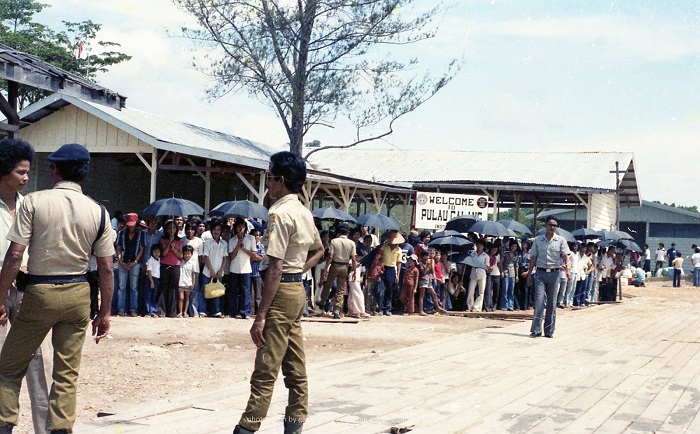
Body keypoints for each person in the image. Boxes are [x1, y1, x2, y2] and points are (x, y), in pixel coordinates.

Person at [0, 143, 114, 433]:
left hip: (39, 292)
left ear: (54, 170)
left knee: (9, 368)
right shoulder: (99, 212)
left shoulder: (33, 202)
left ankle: (5, 424)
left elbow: (14, 256)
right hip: (79, 295)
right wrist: (104, 312)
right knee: (66, 374)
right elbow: (106, 268)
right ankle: (60, 428)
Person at [233, 151, 324, 434]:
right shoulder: (304, 212)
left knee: (266, 366)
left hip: (281, 291)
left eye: (270, 177)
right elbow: (319, 250)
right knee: (295, 367)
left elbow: (274, 267)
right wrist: (298, 272)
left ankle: (248, 426)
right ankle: (295, 425)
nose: (268, 183)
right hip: (297, 289)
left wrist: (260, 316)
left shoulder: (279, 214)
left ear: (281, 180)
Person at [0, 139, 52, 434]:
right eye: (21, 172)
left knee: (38, 360)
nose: (26, 177)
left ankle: (46, 428)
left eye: (28, 172)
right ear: (3, 170)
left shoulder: (28, 206)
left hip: (26, 288)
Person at [526, 216, 571, 338]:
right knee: (539, 301)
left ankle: (549, 331)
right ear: (545, 225)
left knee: (552, 303)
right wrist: (529, 274)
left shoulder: (561, 240)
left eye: (554, 225)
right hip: (540, 273)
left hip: (554, 274)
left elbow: (566, 256)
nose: (552, 227)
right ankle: (536, 330)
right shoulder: (538, 240)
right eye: (550, 225)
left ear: (557, 227)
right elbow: (533, 257)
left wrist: (568, 270)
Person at [320, 223, 356, 319]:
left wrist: (326, 269)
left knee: (328, 284)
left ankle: (323, 301)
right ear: (348, 232)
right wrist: (355, 271)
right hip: (345, 266)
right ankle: (336, 311)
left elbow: (330, 256)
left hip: (335, 265)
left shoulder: (334, 241)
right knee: (340, 289)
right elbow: (353, 258)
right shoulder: (351, 243)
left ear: (339, 232)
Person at [115, 212, 144, 317]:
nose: (131, 227)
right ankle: (121, 309)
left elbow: (141, 250)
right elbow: (118, 247)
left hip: (135, 263)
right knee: (121, 287)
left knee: (133, 287)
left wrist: (135, 262)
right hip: (123, 261)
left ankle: (133, 309)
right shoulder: (121, 233)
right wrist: (120, 261)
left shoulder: (141, 234)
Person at [228, 218, 256, 319]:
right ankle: (232, 312)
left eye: (243, 227)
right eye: (239, 227)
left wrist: (244, 249)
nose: (241, 229)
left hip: (246, 268)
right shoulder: (232, 240)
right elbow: (231, 256)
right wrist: (238, 244)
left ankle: (246, 312)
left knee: (246, 291)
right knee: (233, 291)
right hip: (234, 268)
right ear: (236, 228)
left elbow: (254, 254)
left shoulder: (251, 238)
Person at [201, 220, 228, 317]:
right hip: (207, 271)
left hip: (219, 272)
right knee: (204, 290)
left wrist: (221, 270)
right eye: (215, 229)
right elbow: (206, 257)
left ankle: (216, 311)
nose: (216, 231)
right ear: (211, 230)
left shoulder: (224, 243)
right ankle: (202, 311)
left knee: (217, 291)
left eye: (219, 229)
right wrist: (211, 271)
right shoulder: (207, 242)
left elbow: (225, 258)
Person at [159, 220, 183, 317]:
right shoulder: (163, 239)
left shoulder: (179, 240)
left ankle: (172, 311)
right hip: (165, 264)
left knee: (173, 288)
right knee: (164, 287)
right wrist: (169, 244)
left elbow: (181, 255)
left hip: (175, 265)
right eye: (169, 228)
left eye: (173, 228)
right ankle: (162, 311)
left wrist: (174, 249)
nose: (171, 230)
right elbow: (163, 253)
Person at [378, 231, 403, 316]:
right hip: (383, 268)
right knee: (381, 289)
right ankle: (381, 308)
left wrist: (397, 275)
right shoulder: (384, 247)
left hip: (392, 269)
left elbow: (399, 263)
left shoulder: (399, 250)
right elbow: (379, 257)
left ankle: (387, 308)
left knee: (389, 289)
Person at [178, 245, 197, 317]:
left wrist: (193, 283)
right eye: (185, 253)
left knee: (187, 298)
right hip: (180, 282)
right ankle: (180, 312)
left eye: (189, 253)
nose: (187, 255)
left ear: (191, 254)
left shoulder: (193, 263)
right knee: (181, 298)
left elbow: (193, 274)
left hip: (188, 283)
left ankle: (185, 312)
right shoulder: (180, 262)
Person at [145, 244, 161, 317]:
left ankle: (153, 311)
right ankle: (148, 312)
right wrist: (151, 281)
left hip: (157, 279)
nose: (156, 253)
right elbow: (149, 271)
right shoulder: (150, 260)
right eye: (155, 252)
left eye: (158, 252)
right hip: (150, 279)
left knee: (154, 296)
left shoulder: (159, 260)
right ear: (151, 252)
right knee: (148, 295)